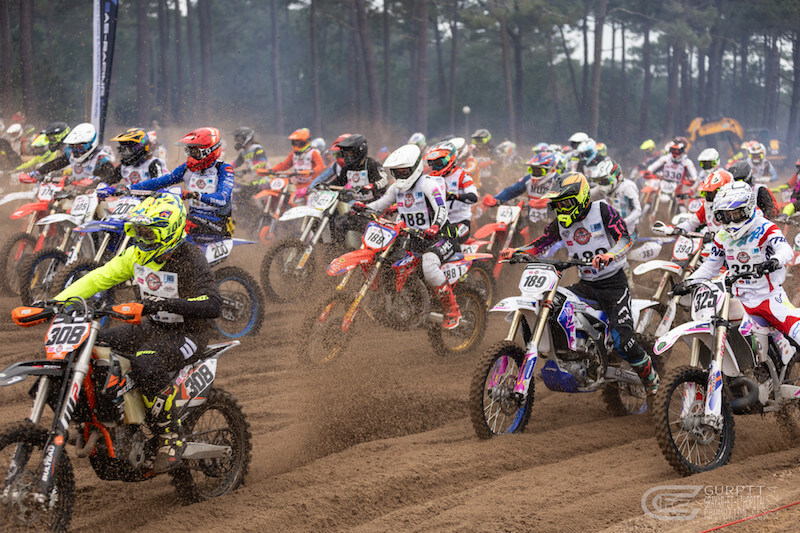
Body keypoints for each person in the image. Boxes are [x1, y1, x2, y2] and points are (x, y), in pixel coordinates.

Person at [53, 193, 222, 472]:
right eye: (139, 232)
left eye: (149, 234)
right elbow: (97, 278)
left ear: (169, 232)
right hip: (151, 326)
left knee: (145, 361)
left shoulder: (190, 257)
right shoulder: (134, 254)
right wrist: (58, 302)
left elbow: (213, 303)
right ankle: (96, 419)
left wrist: (160, 304)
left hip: (188, 333)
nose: (143, 239)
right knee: (92, 344)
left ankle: (171, 434)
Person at [499, 171, 660, 395]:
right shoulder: (560, 224)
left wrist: (611, 255)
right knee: (551, 304)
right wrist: (517, 252)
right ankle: (571, 354)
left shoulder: (602, 210)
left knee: (623, 342)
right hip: (586, 285)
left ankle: (650, 377)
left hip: (613, 286)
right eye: (558, 204)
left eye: (566, 203)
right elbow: (541, 244)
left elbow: (625, 238)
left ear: (581, 198)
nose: (562, 208)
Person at [677, 181, 800, 359]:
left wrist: (774, 261)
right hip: (737, 300)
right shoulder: (722, 237)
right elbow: (709, 267)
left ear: (748, 209)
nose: (731, 220)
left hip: (768, 298)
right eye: (725, 216)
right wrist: (688, 283)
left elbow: (786, 250)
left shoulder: (765, 227)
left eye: (735, 214)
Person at [354, 144, 462, 330]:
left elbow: (441, 208)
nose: (401, 176)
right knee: (387, 260)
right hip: (412, 238)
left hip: (441, 237)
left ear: (414, 168)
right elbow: (381, 204)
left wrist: (435, 226)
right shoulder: (396, 188)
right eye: (397, 172)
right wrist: (365, 208)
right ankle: (402, 301)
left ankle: (452, 310)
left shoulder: (428, 184)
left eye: (404, 171)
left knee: (428, 265)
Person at [131, 127, 234, 239]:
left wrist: (193, 195)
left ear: (208, 151)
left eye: (194, 152)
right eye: (189, 151)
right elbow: (159, 182)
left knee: (180, 225)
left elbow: (222, 199)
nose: (190, 156)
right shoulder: (187, 168)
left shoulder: (223, 169)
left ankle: (182, 255)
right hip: (194, 217)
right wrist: (129, 188)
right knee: (157, 221)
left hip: (218, 223)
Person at [484, 151, 563, 231]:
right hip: (531, 219)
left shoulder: (558, 181)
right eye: (532, 170)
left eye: (539, 171)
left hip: (552, 221)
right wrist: (496, 199)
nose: (535, 173)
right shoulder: (528, 179)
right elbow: (512, 191)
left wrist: (549, 201)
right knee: (519, 231)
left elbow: (563, 198)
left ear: (551, 170)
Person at [425, 140, 478, 242]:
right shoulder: (429, 178)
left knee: (448, 238)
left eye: (439, 163)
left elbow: (473, 198)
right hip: (437, 223)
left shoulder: (462, 175)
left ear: (449, 160)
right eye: (433, 164)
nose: (435, 167)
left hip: (460, 222)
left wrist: (453, 196)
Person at [653, 169, 732, 236]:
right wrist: (674, 229)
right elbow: (691, 223)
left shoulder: (736, 207)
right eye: (707, 193)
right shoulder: (706, 207)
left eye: (713, 193)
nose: (710, 196)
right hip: (713, 248)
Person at [31, 122, 115, 183]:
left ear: (91, 144)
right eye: (73, 146)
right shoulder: (71, 155)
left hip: (96, 198)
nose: (76, 150)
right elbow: (54, 164)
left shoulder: (101, 159)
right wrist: (38, 172)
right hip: (75, 196)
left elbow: (110, 177)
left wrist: (97, 181)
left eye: (80, 147)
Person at [592, 159, 641, 239]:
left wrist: (623, 222)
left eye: (604, 180)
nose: (601, 184)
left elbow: (637, 211)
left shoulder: (627, 187)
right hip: (610, 231)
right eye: (599, 180)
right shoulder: (601, 188)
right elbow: (588, 194)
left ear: (616, 176)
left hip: (628, 232)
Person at [103, 128, 167, 189]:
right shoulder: (124, 166)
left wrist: (125, 188)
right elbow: (108, 180)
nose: (125, 154)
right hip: (130, 199)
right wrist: (99, 185)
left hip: (151, 199)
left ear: (141, 148)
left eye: (129, 150)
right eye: (123, 150)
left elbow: (159, 185)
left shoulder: (154, 164)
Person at [646, 136, 698, 205]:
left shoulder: (687, 162)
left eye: (677, 151)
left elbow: (695, 176)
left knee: (681, 207)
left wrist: (693, 181)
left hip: (677, 189)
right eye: (673, 150)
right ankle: (645, 213)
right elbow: (652, 167)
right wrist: (648, 172)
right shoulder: (665, 158)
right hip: (662, 185)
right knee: (651, 199)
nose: (675, 153)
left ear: (683, 150)